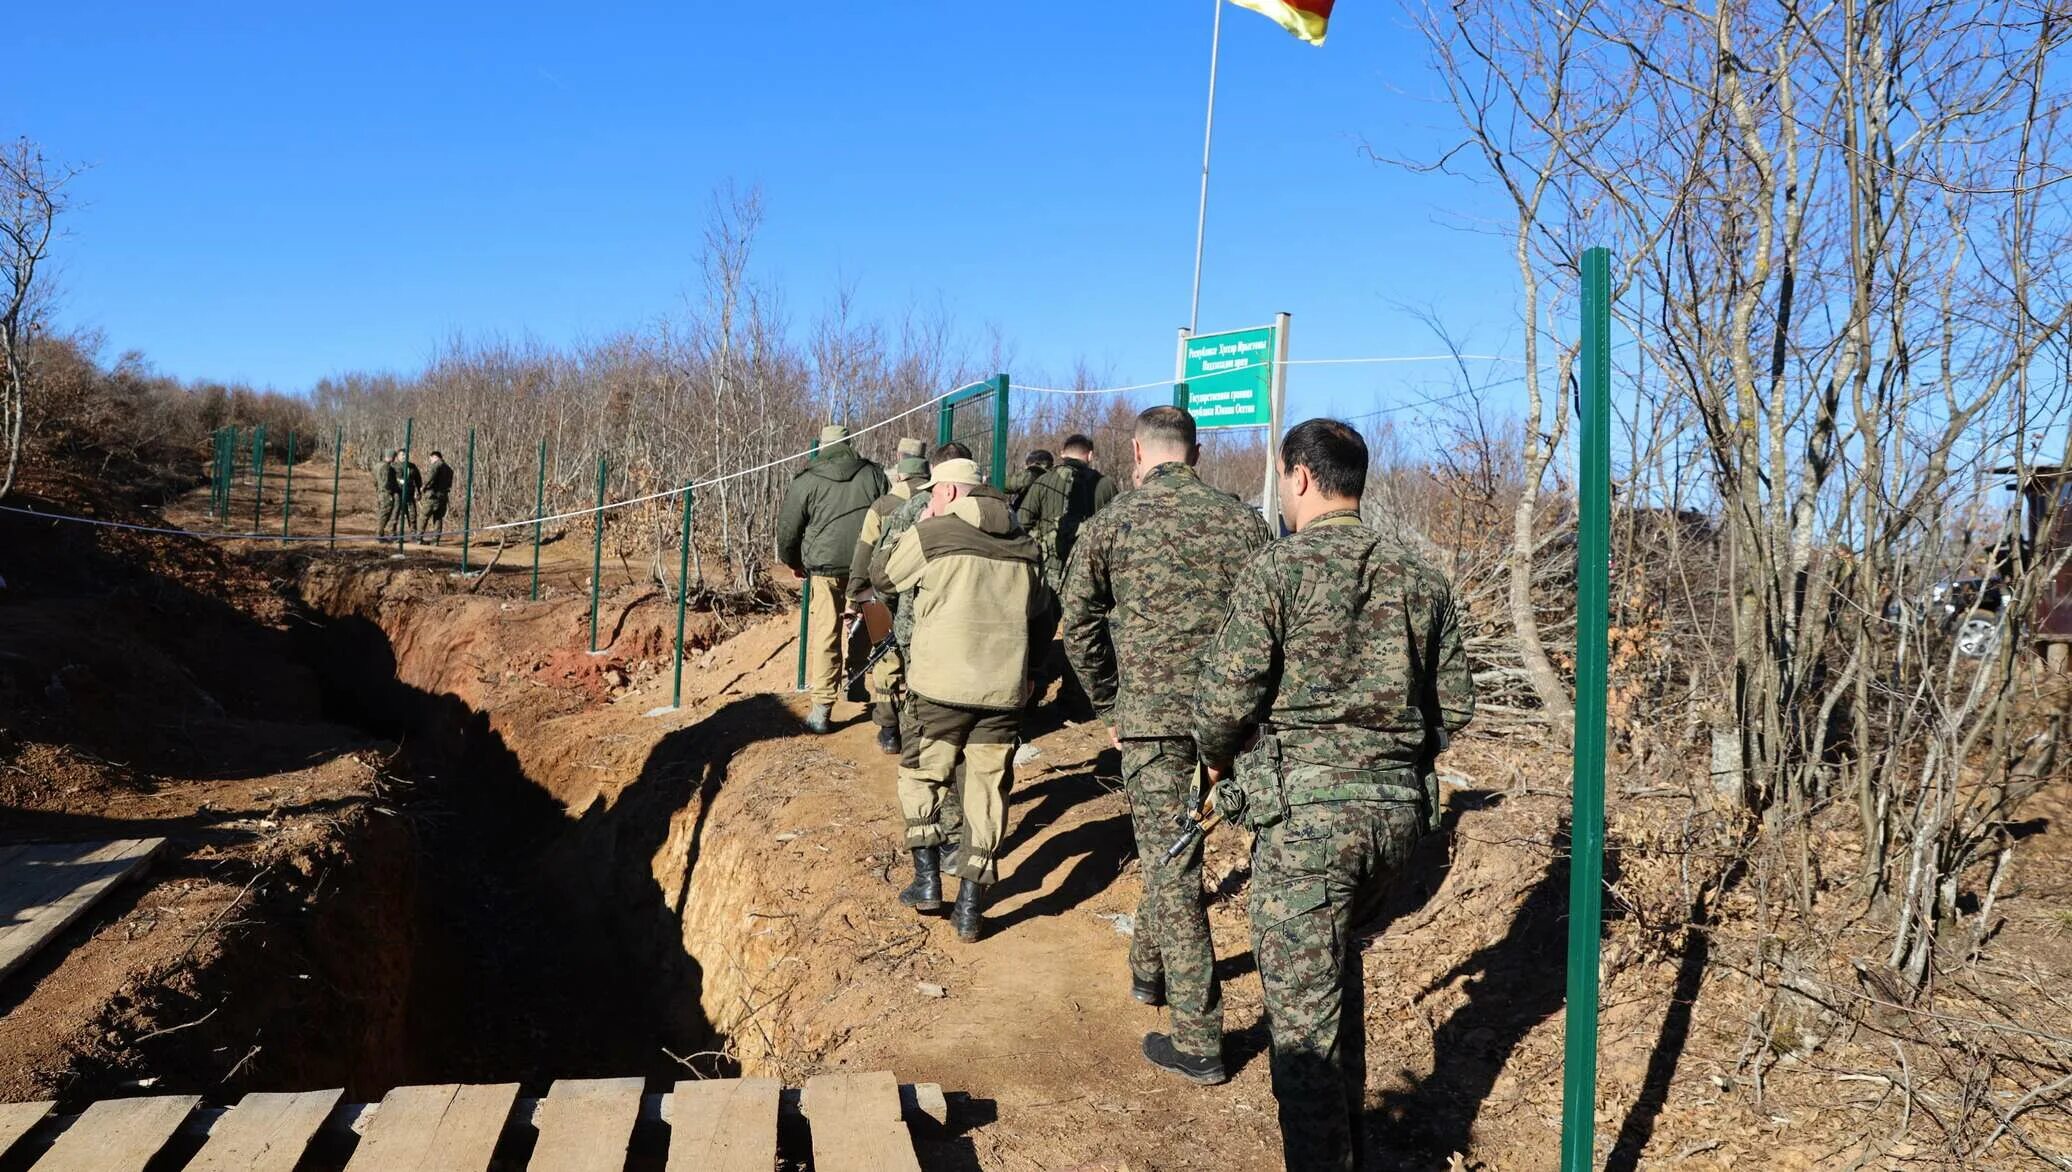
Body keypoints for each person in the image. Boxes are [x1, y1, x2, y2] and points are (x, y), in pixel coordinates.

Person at [1193, 418, 1476, 1172]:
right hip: (1394, 828)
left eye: (1284, 482)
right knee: (1334, 983)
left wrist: (1220, 763)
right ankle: (1347, 1144)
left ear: (1301, 478)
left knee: (1303, 1040)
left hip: (1308, 833)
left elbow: (1221, 703)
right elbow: (1458, 707)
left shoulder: (1279, 572)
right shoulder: (1422, 578)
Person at [1061, 405, 1272, 1087]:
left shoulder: (1110, 523)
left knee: (1172, 867)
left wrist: (1106, 700)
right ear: (1197, 453)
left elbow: (1078, 621)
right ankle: (1150, 970)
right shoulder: (1245, 523)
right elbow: (1271, 623)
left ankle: (1199, 1037)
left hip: (1150, 722)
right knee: (1174, 851)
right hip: (1227, 719)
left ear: (1138, 453)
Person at [872, 457, 1043, 942]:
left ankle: (927, 882)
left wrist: (918, 529)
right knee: (987, 792)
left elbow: (883, 577)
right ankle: (970, 908)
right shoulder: (1026, 545)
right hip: (1004, 690)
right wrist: (1033, 673)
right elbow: (1041, 613)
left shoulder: (934, 534)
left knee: (922, 776)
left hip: (940, 689)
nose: (928, 500)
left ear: (947, 493)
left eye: (932, 493)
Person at [869, 442, 973, 877]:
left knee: (929, 738)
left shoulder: (914, 512)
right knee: (972, 743)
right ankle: (966, 838)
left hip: (924, 640)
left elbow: (884, 572)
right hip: (981, 647)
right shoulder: (1004, 520)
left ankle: (938, 845)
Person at [777, 425, 890, 733]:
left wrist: (793, 561)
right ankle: (857, 681)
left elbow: (788, 527)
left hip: (824, 568)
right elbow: (889, 515)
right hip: (865, 565)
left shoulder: (807, 479)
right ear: (849, 444)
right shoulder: (874, 474)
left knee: (827, 632)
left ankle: (822, 709)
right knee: (869, 621)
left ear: (822, 447)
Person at [846, 438, 930, 755]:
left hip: (881, 591)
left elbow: (864, 551)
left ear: (899, 474)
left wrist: (856, 593)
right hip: (926, 593)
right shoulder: (938, 503)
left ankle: (889, 729)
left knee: (886, 657)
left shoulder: (882, 506)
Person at [1020, 433, 1118, 585]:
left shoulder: (1043, 482)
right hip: (1089, 573)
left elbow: (1022, 522)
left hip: (1049, 572)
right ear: (1090, 455)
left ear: (1062, 453)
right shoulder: (1105, 484)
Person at [419, 451, 455, 543]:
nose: (430, 461)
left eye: (430, 459)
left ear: (434, 457)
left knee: (423, 516)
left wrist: (424, 486)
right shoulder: (449, 469)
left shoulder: (436, 465)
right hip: (443, 497)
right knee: (438, 518)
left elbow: (431, 477)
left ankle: (418, 538)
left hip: (433, 496)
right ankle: (436, 540)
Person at [1005, 449, 1054, 517]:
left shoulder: (1034, 473)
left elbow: (1008, 484)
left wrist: (989, 481)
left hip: (1026, 521)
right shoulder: (1054, 478)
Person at [374, 451, 403, 538]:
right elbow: (386, 482)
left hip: (380, 492)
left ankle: (380, 533)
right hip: (386, 493)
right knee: (385, 514)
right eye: (394, 457)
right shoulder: (387, 467)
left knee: (382, 513)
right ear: (392, 457)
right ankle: (379, 534)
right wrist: (393, 489)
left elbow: (375, 481)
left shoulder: (377, 465)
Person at [397, 454, 424, 539]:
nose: (404, 457)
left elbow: (418, 479)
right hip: (399, 494)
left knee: (412, 514)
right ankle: (397, 534)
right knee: (398, 514)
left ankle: (413, 532)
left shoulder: (412, 466)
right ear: (398, 456)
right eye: (402, 455)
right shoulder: (394, 466)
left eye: (405, 455)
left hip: (410, 494)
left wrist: (419, 491)